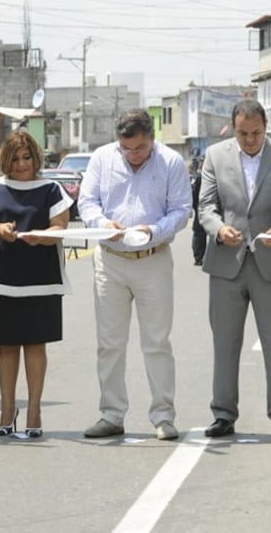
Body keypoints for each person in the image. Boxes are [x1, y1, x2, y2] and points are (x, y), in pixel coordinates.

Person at [77, 109, 191, 441]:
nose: (132, 155)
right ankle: (111, 414)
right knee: (109, 343)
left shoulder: (170, 162)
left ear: (151, 140)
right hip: (110, 258)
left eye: (139, 148)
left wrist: (154, 230)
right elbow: (87, 202)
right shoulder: (101, 158)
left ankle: (163, 416)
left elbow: (182, 210)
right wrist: (102, 224)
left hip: (152, 257)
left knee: (156, 341)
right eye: (126, 149)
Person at [198, 98, 271, 441]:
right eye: (243, 133)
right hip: (226, 262)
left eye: (256, 133)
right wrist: (218, 229)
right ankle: (223, 414)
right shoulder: (216, 156)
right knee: (225, 343)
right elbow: (205, 207)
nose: (249, 140)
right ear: (233, 129)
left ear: (266, 127)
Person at [0, 131, 71, 438]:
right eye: (14, 158)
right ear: (5, 159)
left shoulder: (52, 189)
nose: (21, 164)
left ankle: (34, 410)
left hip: (42, 279)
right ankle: (6, 409)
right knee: (7, 345)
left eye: (26, 157)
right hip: (2, 279)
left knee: (35, 345)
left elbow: (60, 227)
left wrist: (43, 236)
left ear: (36, 158)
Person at [190, 158, 206, 266]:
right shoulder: (198, 177)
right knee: (199, 233)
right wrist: (194, 207)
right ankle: (198, 257)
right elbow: (193, 192)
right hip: (201, 208)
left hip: (212, 207)